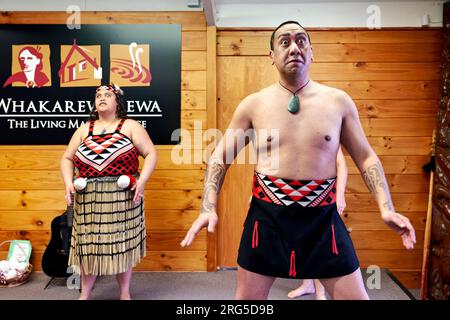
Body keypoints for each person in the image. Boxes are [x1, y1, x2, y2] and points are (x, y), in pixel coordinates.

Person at [181, 20, 416, 300]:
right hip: (267, 220)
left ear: (312, 52)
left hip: (322, 220)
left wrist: (386, 208)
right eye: (284, 41)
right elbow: (220, 157)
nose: (294, 47)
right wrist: (208, 206)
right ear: (271, 56)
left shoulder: (338, 102)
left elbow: (365, 157)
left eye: (301, 40)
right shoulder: (253, 105)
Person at [60, 84, 157, 300]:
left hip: (121, 196)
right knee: (88, 246)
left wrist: (142, 181)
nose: (101, 98)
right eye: (98, 95)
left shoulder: (130, 126)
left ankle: (125, 294)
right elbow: (67, 158)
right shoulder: (85, 129)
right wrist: (68, 182)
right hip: (89, 198)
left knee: (121, 244)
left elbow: (150, 153)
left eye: (107, 95)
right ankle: (85, 295)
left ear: (117, 102)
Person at [287, 147, 347, 300]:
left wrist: (340, 194)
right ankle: (307, 284)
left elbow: (341, 164)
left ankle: (320, 292)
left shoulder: (327, 129)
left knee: (319, 244)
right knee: (300, 241)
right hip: (296, 194)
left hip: (323, 195)